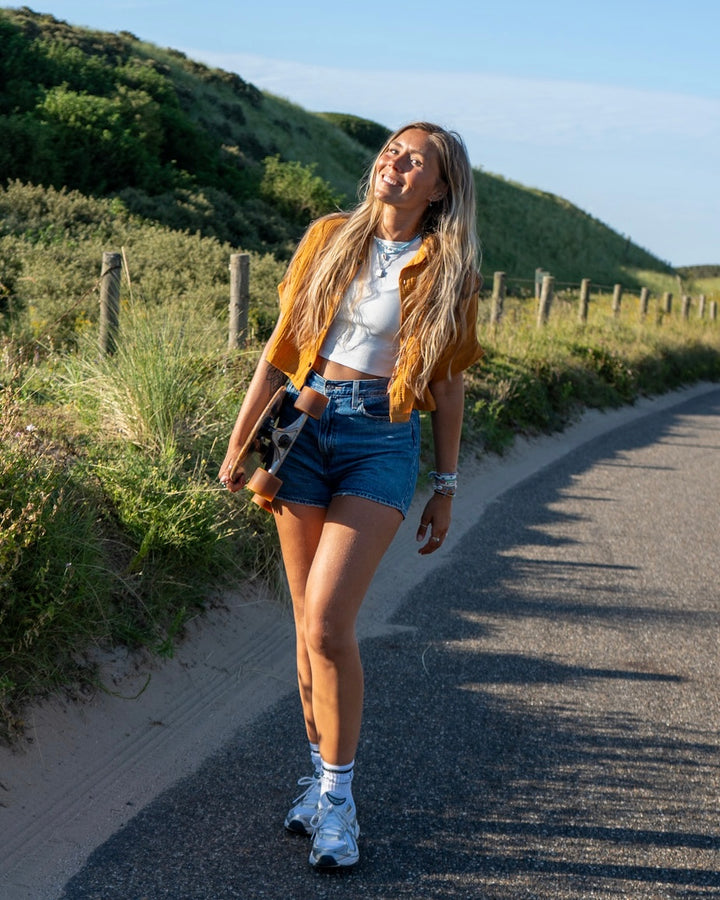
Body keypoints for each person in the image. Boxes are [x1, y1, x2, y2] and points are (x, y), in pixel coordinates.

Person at [218, 121, 483, 869]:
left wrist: (447, 482)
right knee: (306, 625)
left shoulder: (449, 268)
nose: (393, 163)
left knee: (332, 622)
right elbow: (280, 345)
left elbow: (449, 379)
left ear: (439, 187)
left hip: (382, 437)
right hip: (300, 425)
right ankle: (317, 780)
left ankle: (339, 801)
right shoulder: (330, 236)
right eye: (391, 150)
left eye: (415, 160)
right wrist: (242, 442)